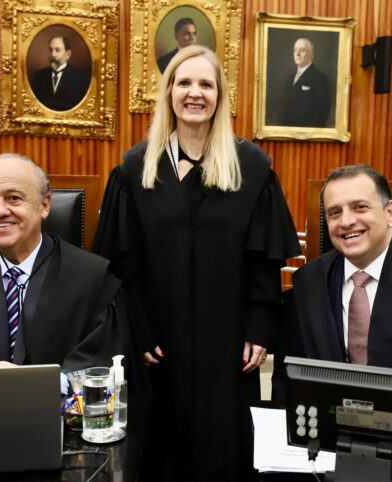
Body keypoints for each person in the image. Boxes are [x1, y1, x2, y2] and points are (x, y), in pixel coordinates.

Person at [92, 45, 300, 482]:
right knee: (159, 448)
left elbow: (263, 261)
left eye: (206, 84)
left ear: (220, 96)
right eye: (184, 82)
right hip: (158, 343)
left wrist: (260, 327)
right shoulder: (134, 171)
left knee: (224, 445)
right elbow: (124, 265)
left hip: (228, 342)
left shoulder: (252, 168)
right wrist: (138, 330)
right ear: (169, 92)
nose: (195, 93)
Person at [0, 153, 127, 379]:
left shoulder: (93, 278)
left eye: (14, 198)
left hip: (57, 402)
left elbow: (98, 365)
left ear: (45, 205)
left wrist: (33, 382)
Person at [274, 164, 392, 402]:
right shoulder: (308, 283)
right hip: (329, 417)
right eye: (334, 212)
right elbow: (290, 375)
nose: (346, 221)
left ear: (390, 213)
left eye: (360, 207)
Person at [278, 38, 331, 128]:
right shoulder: (290, 78)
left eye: (302, 50)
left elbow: (321, 113)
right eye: (295, 50)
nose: (297, 54)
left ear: (311, 54)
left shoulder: (320, 78)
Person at [31, 36, 91, 111]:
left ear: (68, 54)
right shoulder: (39, 76)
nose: (53, 54)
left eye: (57, 50)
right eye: (50, 50)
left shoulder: (80, 77)